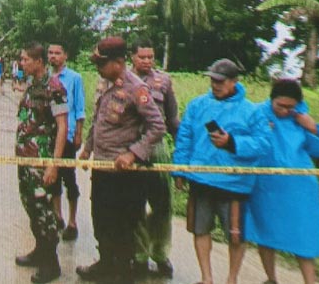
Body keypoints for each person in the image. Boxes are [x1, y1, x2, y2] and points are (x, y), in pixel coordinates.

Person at [77, 36, 166, 284]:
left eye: (101, 63)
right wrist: (88, 148)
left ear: (117, 62)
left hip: (125, 174)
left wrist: (133, 153)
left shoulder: (137, 89)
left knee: (123, 224)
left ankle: (122, 272)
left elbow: (157, 127)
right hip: (103, 167)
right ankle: (105, 264)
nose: (97, 68)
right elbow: (99, 120)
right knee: (101, 218)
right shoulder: (105, 84)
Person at [172, 58, 270, 284]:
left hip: (234, 184)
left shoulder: (252, 111)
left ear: (234, 81)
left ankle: (232, 278)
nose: (215, 85)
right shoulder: (197, 105)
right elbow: (184, 137)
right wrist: (179, 170)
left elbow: (263, 144)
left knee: (236, 236)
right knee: (200, 229)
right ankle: (206, 278)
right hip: (201, 180)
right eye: (212, 80)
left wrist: (231, 142)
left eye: (220, 81)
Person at [243, 79, 319, 284]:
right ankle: (271, 279)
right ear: (271, 100)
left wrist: (313, 129)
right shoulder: (257, 113)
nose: (284, 111)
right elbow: (241, 141)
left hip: (299, 189)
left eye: (289, 107)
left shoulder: (301, 118)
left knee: (304, 237)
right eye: (280, 106)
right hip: (265, 186)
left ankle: (310, 281)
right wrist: (262, 129)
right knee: (264, 233)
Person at [14, 42, 69, 283]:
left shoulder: (54, 87)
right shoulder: (31, 85)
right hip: (26, 159)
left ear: (38, 62)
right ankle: (39, 251)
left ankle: (52, 263)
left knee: (44, 210)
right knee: (31, 206)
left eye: (26, 60)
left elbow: (62, 126)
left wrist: (53, 165)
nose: (22, 63)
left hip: (42, 160)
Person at [129, 38, 180, 278]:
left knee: (162, 204)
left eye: (151, 57)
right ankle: (139, 256)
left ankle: (159, 253)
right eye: (142, 57)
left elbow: (172, 119)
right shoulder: (122, 80)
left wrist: (180, 150)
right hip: (130, 146)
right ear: (132, 57)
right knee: (135, 204)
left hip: (157, 146)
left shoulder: (164, 81)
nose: (147, 61)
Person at [47, 43, 86, 241]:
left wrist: (78, 133)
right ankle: (57, 216)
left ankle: (72, 221)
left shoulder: (74, 79)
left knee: (69, 178)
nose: (53, 56)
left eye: (57, 53)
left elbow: (79, 108)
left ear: (65, 55)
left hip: (68, 134)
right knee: (53, 178)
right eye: (50, 53)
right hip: (50, 136)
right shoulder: (46, 78)